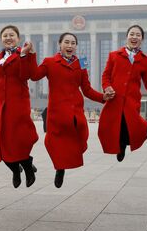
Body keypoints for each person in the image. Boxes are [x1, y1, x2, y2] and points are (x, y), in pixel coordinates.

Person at [21, 33, 110, 187]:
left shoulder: (82, 62)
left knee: (81, 137)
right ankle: (60, 168)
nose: (70, 46)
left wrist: (103, 97)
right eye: (66, 42)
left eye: (73, 43)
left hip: (75, 111)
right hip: (57, 113)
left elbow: (87, 89)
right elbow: (34, 76)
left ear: (76, 46)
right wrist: (30, 54)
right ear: (60, 45)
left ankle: (66, 162)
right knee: (52, 143)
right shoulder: (50, 62)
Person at [98, 24, 147, 161]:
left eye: (138, 35)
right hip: (114, 100)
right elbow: (105, 76)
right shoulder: (114, 56)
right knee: (111, 127)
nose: (134, 37)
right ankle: (121, 145)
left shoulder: (145, 61)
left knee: (131, 128)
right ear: (126, 37)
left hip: (131, 102)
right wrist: (107, 87)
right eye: (132, 34)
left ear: (142, 39)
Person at [0, 25, 38, 188]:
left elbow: (27, 75)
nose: (8, 38)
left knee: (19, 140)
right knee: (0, 144)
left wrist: (25, 55)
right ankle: (15, 170)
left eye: (12, 35)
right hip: (0, 107)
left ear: (18, 39)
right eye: (5, 35)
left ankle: (27, 166)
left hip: (18, 105)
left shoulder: (23, 54)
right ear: (1, 39)